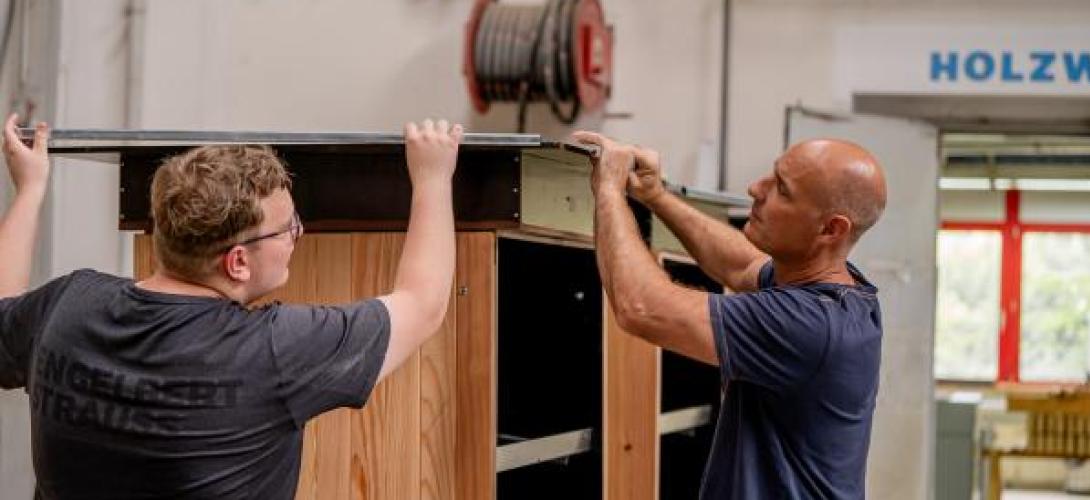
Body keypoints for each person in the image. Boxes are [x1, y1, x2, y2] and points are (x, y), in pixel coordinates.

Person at [0, 114, 463, 499]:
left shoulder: (67, 306)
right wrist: (433, 179)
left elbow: (4, 311)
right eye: (288, 228)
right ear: (237, 262)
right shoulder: (271, 351)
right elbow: (422, 305)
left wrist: (30, 190)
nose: (297, 235)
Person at [574, 131, 887, 499]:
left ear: (831, 229)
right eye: (772, 174)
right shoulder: (837, 292)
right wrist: (656, 196)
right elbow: (740, 264)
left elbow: (641, 307)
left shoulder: (812, 325)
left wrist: (609, 189)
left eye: (782, 190)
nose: (756, 188)